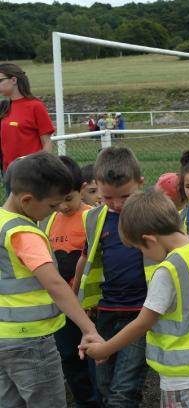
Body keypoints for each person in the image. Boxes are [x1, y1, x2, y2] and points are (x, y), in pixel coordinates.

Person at [82, 190, 189, 408]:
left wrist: (104, 349)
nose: (145, 255)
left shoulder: (168, 270)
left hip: (181, 373)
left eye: (140, 249)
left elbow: (143, 323)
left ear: (149, 240)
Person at [0, 152, 103, 408]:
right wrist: (89, 329)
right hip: (32, 341)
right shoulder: (24, 232)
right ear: (27, 200)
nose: (56, 211)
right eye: (51, 206)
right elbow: (55, 284)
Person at [73, 147, 150, 408]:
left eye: (125, 196)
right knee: (105, 385)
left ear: (141, 183)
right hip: (105, 311)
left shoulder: (152, 216)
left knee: (124, 389)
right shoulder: (94, 218)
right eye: (108, 197)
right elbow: (87, 258)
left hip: (141, 314)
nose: (117, 204)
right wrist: (78, 299)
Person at [40, 156, 99, 408]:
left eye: (69, 198)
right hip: (62, 305)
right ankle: (83, 399)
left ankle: (99, 400)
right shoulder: (50, 220)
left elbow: (95, 261)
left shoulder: (92, 217)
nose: (63, 206)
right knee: (67, 354)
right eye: (57, 201)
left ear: (82, 190)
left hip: (88, 305)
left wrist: (91, 298)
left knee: (94, 356)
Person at [0, 63, 55, 173]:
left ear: (14, 80)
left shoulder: (35, 106)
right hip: (9, 171)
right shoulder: (5, 107)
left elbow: (47, 143)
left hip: (31, 172)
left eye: (0, 80)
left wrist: (42, 168)